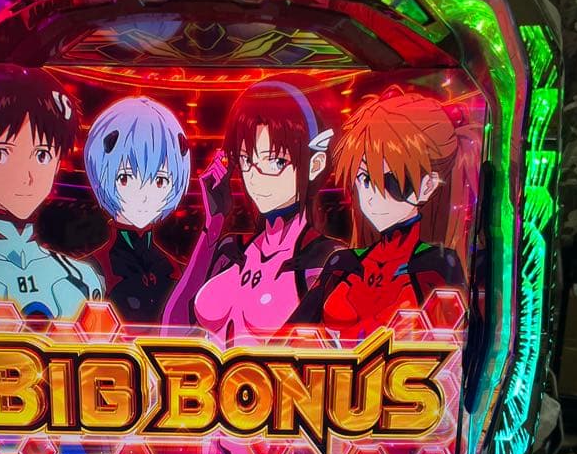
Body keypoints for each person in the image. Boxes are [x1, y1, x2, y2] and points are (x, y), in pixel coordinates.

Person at [162, 80, 340, 345]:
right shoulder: (230, 249)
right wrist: (213, 224)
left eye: (276, 161)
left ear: (315, 164)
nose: (255, 177)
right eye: (247, 160)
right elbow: (170, 331)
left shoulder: (325, 258)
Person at [300, 87, 478, 340]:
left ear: (427, 186)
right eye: (362, 179)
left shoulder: (437, 266)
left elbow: (453, 346)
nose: (370, 195)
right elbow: (285, 338)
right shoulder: (342, 263)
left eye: (387, 180)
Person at [0, 64, 103, 319]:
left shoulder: (83, 279)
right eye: (0, 154)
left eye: (42, 155)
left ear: (57, 164)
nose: (26, 176)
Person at [84, 96, 190, 322]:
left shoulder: (176, 270)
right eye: (125, 178)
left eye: (160, 181)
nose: (144, 195)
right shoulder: (92, 270)